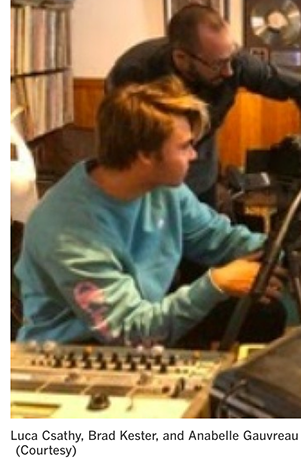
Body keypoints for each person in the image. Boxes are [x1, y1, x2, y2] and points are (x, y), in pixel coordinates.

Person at [14, 77, 286, 349]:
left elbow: (217, 238)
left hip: (142, 311)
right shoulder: (69, 231)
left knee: (265, 314)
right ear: (144, 154)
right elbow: (131, 333)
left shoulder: (162, 187)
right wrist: (215, 284)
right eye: (184, 146)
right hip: (78, 345)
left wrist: (281, 249)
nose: (193, 155)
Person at [107, 3, 301, 209]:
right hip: (148, 186)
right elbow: (119, 145)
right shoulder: (133, 71)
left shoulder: (234, 63)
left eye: (231, 57)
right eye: (218, 64)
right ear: (181, 58)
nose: (229, 71)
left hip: (201, 181)